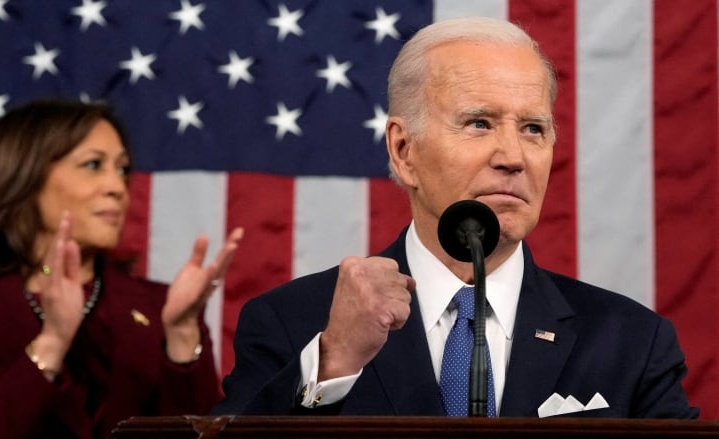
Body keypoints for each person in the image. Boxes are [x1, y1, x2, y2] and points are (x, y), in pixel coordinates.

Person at [212, 16, 699, 418]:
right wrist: (336, 362)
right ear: (404, 151)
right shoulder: (292, 323)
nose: (513, 156)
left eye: (533, 128)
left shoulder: (631, 341)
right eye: (479, 123)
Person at [0, 99, 244, 438]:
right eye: (93, 165)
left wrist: (184, 333)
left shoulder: (161, 309)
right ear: (22, 175)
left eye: (123, 169)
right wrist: (51, 345)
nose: (117, 187)